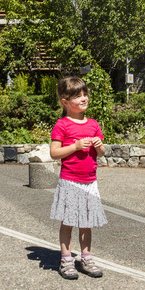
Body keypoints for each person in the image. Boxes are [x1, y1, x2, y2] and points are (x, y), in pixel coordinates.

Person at [48, 74, 107, 279]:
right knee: (68, 221)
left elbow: (101, 154)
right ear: (65, 102)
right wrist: (74, 146)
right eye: (78, 96)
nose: (84, 98)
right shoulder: (62, 125)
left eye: (85, 94)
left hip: (89, 181)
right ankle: (66, 260)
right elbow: (54, 153)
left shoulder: (93, 124)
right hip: (70, 180)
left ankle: (87, 258)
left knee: (86, 223)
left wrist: (100, 147)